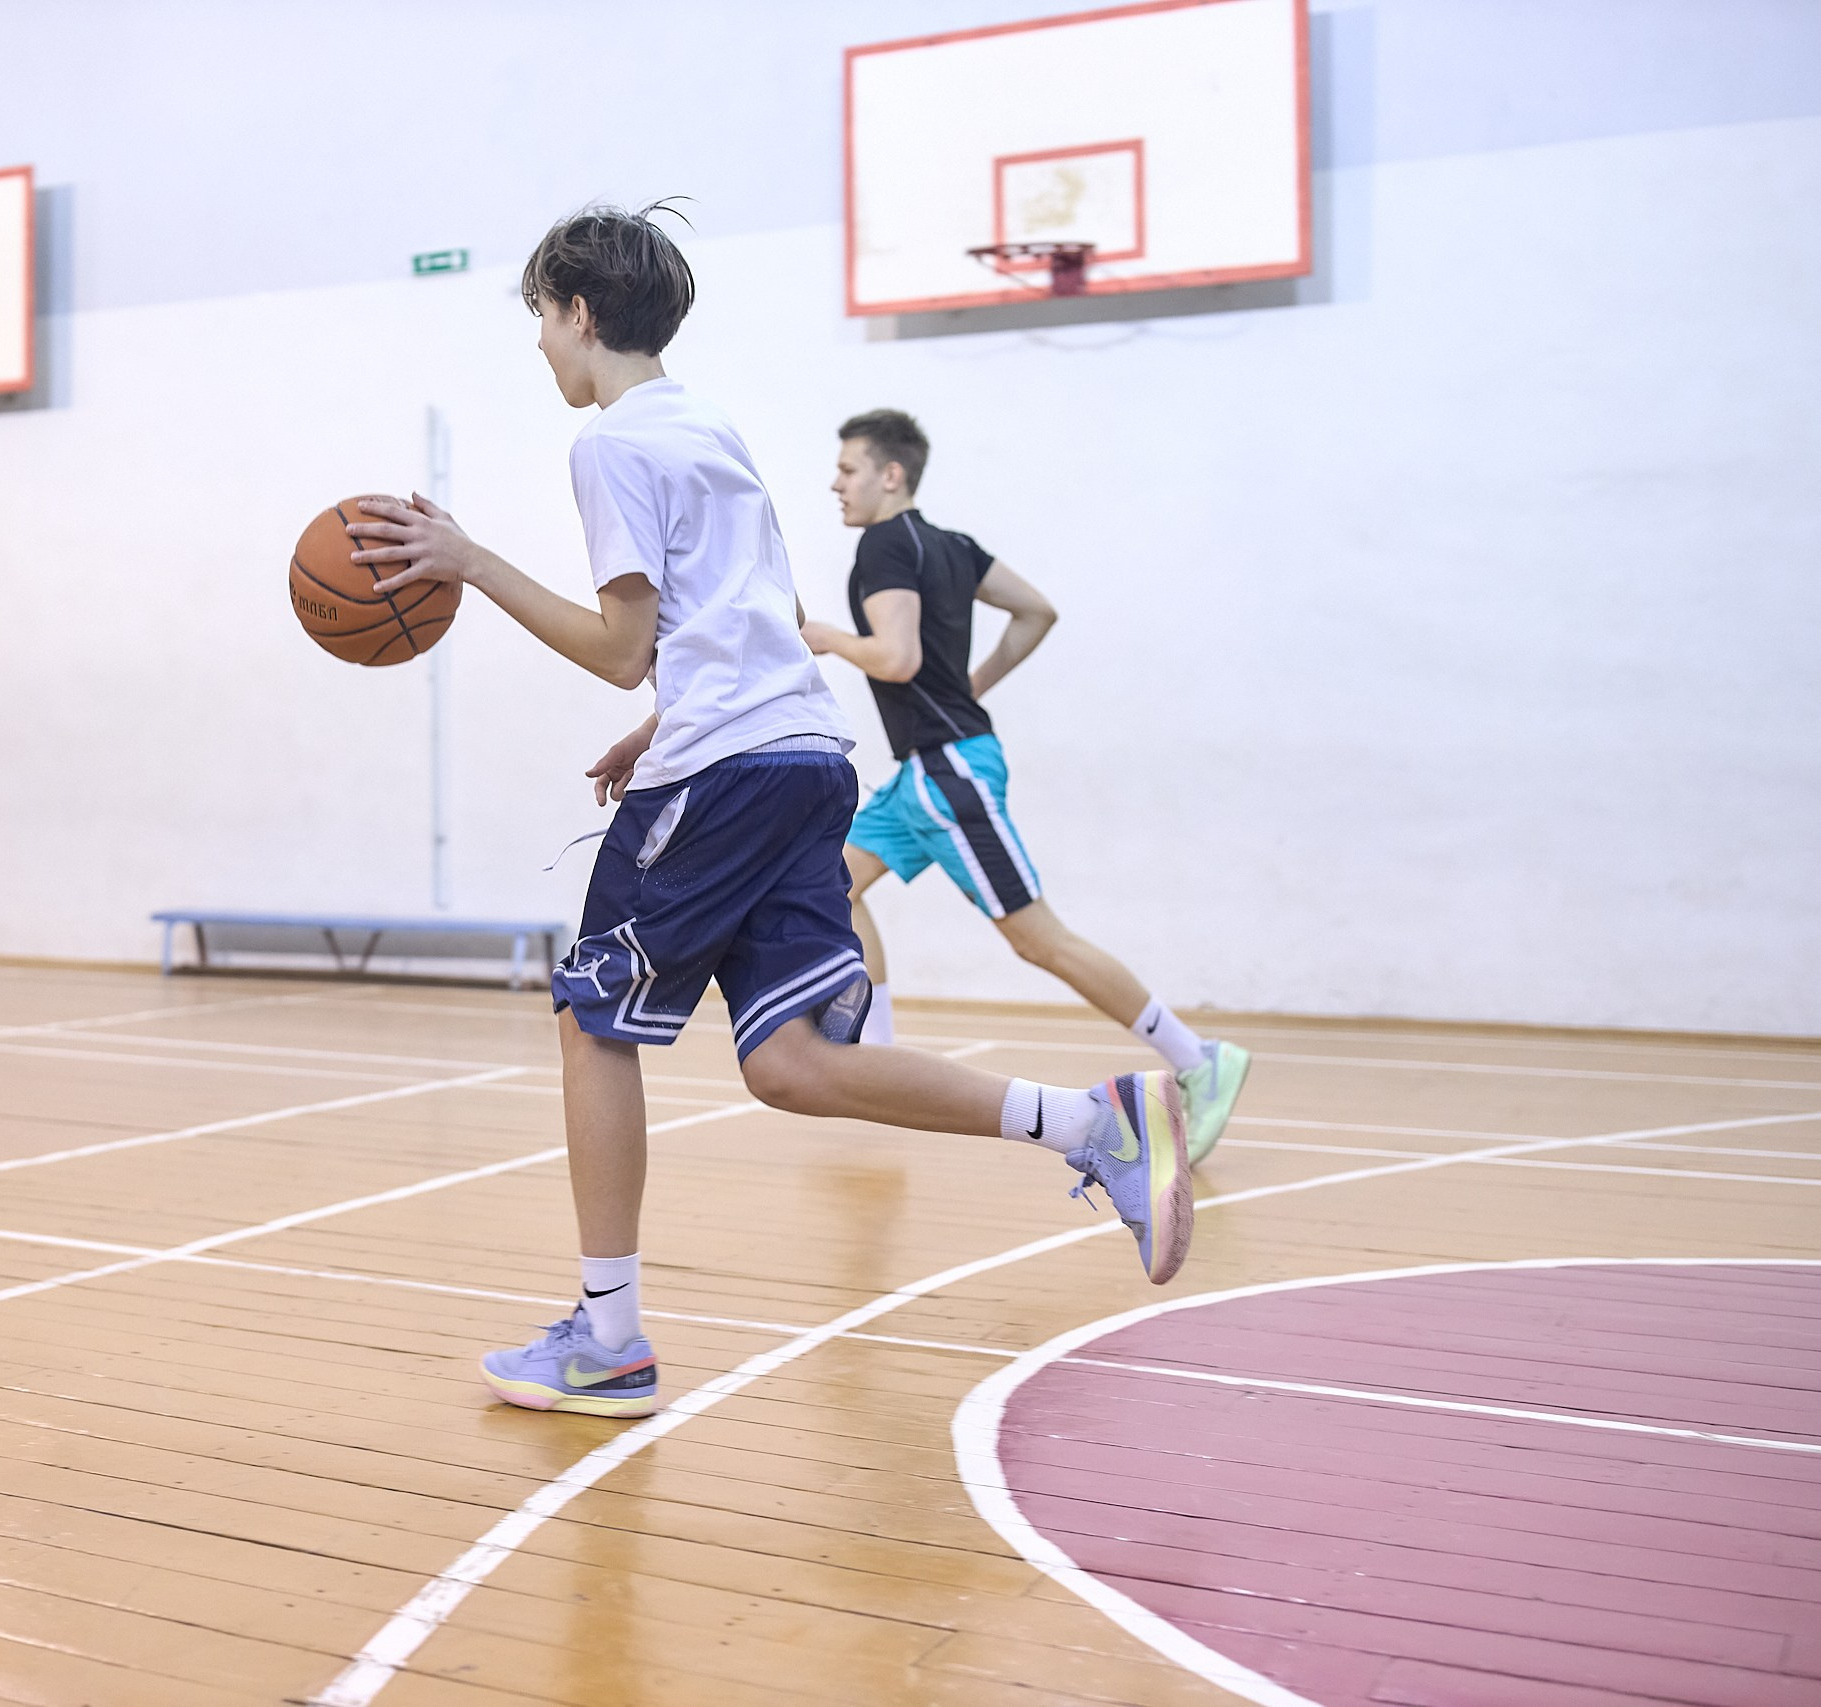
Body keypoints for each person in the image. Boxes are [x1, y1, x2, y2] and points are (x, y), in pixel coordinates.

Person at [345, 206, 1192, 1421]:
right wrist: (671, 720)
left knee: (593, 1024)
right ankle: (1090, 1122)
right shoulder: (710, 422)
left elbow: (618, 646)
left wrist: (471, 564)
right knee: (793, 1062)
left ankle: (609, 1336)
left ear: (580, 313)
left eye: (540, 317)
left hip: (730, 770)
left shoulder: (610, 446)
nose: (539, 346)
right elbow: (748, 612)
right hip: (803, 755)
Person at [801, 409, 1250, 1164]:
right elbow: (1037, 611)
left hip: (949, 772)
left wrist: (828, 638)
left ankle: (1200, 1060)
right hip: (930, 768)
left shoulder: (883, 544)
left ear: (891, 474)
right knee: (829, 883)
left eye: (847, 470)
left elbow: (899, 658)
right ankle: (874, 1054)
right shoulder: (953, 547)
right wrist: (971, 687)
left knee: (1038, 939)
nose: (834, 483)